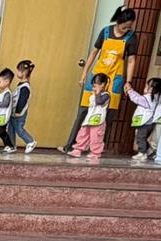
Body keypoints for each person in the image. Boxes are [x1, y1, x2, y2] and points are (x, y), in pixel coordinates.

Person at [58, 5, 138, 153]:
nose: (126, 29)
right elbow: (94, 53)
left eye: (129, 27)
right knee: (84, 111)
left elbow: (131, 61)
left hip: (115, 78)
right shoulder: (105, 31)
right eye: (124, 26)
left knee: (108, 115)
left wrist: (128, 81)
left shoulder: (131, 37)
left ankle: (95, 148)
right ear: (118, 21)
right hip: (97, 76)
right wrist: (84, 73)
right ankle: (70, 145)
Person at [68, 73, 110, 159]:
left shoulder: (106, 95)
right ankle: (78, 149)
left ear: (102, 85)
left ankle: (95, 153)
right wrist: (96, 93)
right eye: (93, 86)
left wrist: (98, 93)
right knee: (83, 134)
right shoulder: (93, 95)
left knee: (96, 137)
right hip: (89, 119)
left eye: (95, 86)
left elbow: (99, 102)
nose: (93, 88)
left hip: (98, 120)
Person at [125, 77, 161, 161]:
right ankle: (148, 151)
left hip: (145, 123)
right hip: (150, 123)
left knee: (140, 137)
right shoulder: (156, 97)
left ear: (151, 89)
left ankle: (142, 153)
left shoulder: (148, 98)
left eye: (148, 86)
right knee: (142, 137)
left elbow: (136, 99)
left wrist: (130, 90)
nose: (146, 88)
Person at [8, 60, 36, 154]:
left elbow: (22, 101)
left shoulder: (25, 87)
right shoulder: (21, 85)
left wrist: (18, 111)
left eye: (18, 71)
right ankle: (11, 145)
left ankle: (30, 141)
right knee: (11, 128)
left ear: (24, 72)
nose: (17, 73)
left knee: (19, 129)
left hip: (19, 113)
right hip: (14, 112)